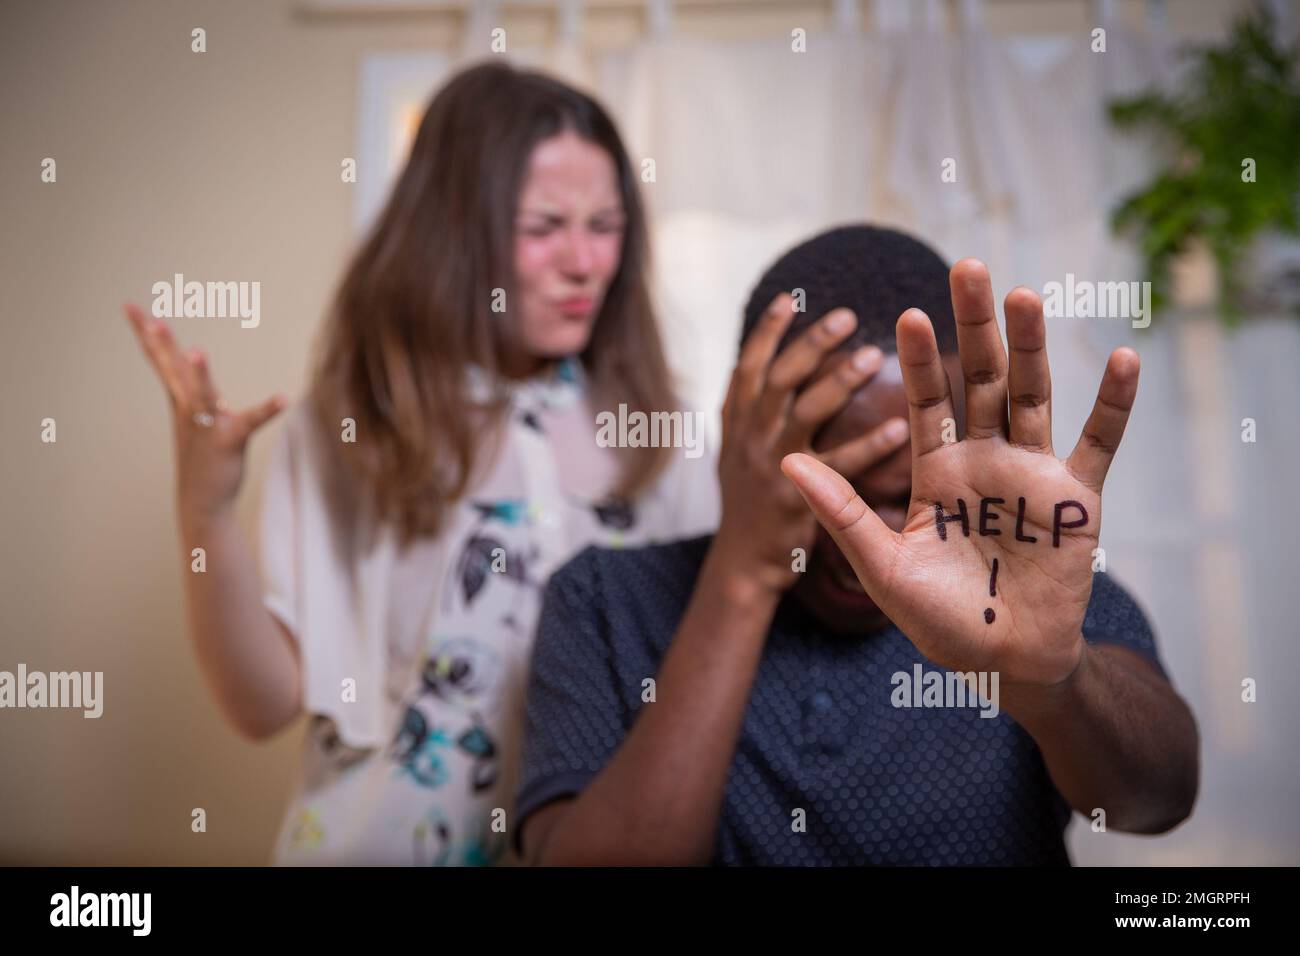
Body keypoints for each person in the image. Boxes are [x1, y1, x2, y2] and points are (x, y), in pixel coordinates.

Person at [122, 61, 717, 866]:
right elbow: (262, 706)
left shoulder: (665, 440)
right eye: (544, 226)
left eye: (606, 225)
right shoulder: (352, 428)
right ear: (455, 231)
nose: (584, 262)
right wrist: (204, 512)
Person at [514, 225, 1200, 866]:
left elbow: (1157, 802)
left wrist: (1056, 684)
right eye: (832, 495)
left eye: (913, 500)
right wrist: (743, 576)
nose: (866, 546)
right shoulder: (604, 600)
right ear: (748, 440)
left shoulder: (1035, 596)